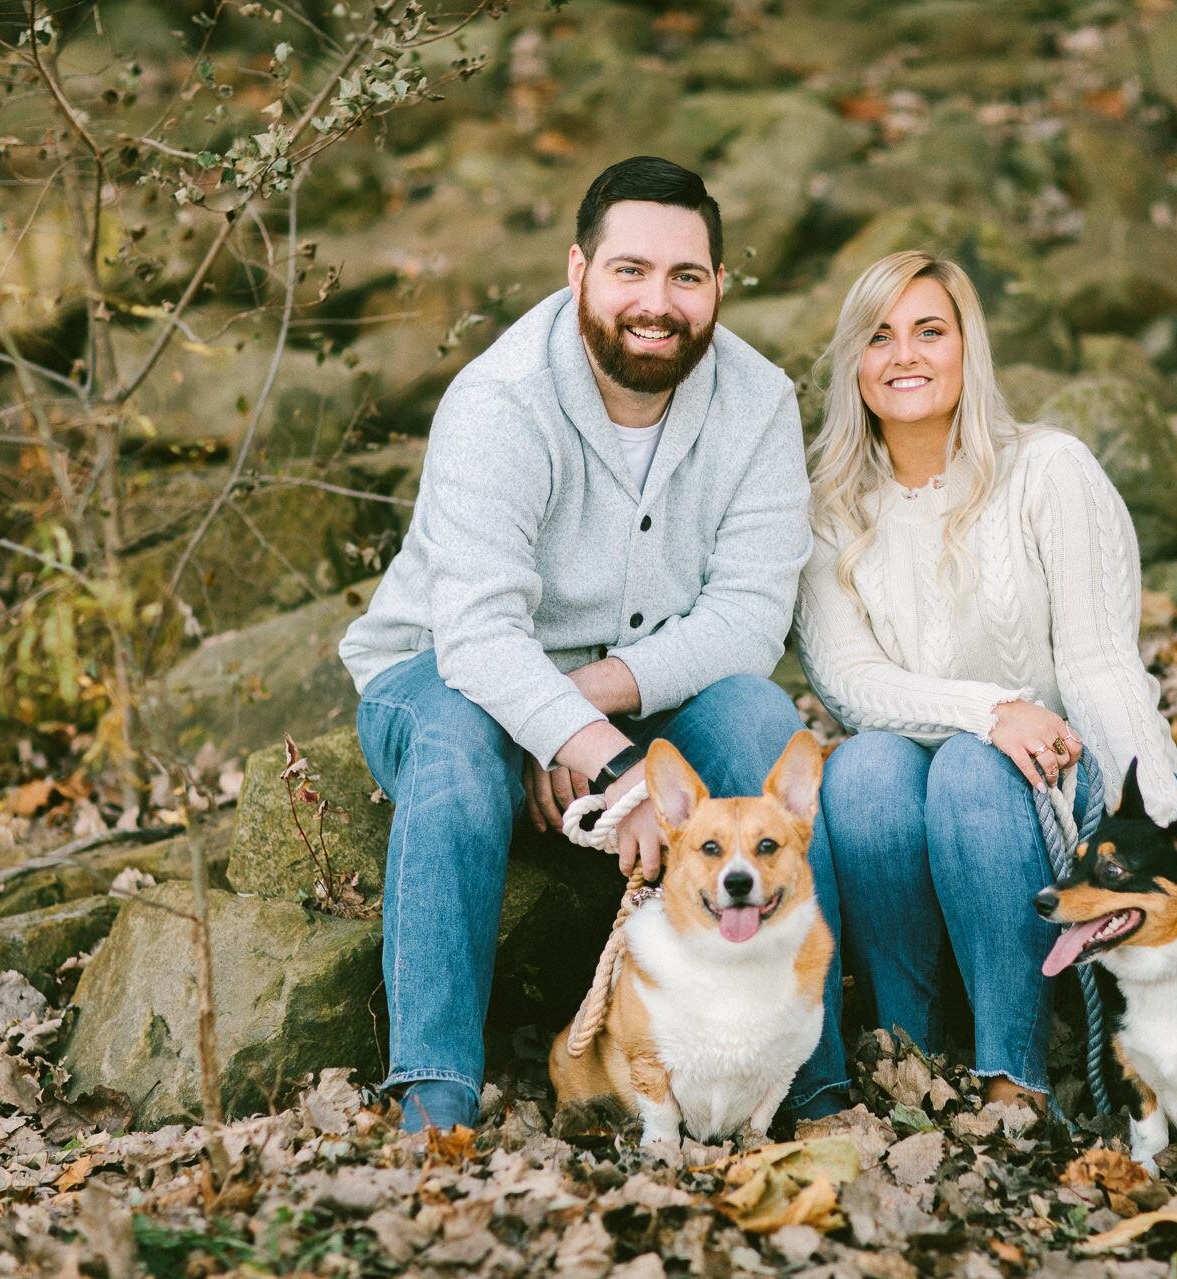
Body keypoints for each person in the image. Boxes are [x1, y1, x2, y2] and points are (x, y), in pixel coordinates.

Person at [339, 156, 848, 1132]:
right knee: (454, 752)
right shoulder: (501, 403)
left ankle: (813, 1086)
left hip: (633, 683)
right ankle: (434, 1097)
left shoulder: (759, 401)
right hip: (442, 671)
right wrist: (606, 761)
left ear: (717, 286)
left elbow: (748, 620)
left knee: (756, 713)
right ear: (577, 271)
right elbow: (479, 640)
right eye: (630, 270)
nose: (656, 301)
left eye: (685, 276)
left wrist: (577, 711)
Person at [794, 250, 1177, 1111]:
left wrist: (1163, 814)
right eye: (879, 336)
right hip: (916, 789)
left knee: (973, 767)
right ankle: (912, 1052)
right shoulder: (827, 508)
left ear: (967, 347)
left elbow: (1099, 664)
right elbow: (850, 681)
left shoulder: (1048, 471)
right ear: (855, 365)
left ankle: (1014, 1070)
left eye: (929, 331)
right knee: (862, 767)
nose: (904, 354)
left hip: (1056, 786)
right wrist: (992, 709)